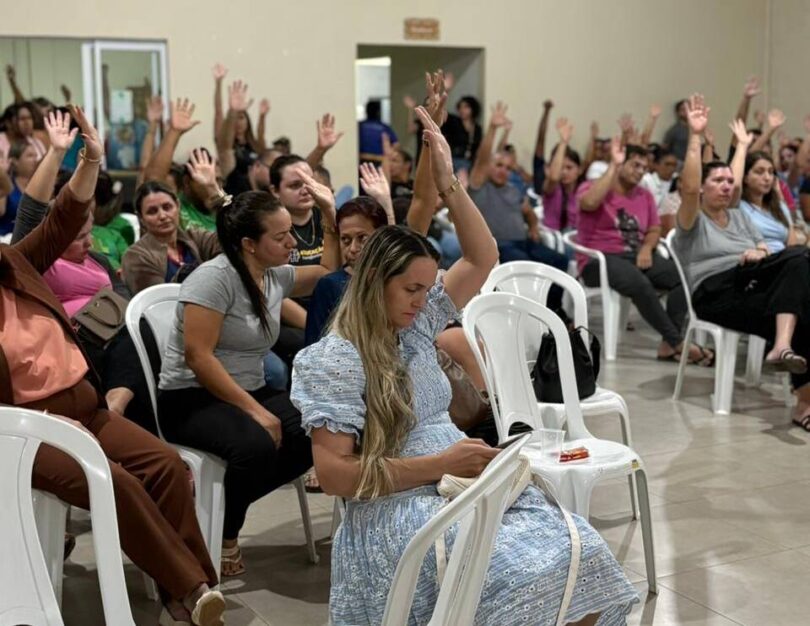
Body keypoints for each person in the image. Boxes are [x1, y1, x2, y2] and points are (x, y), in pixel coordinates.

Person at [291, 106, 637, 625]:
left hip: (459, 476)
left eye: (425, 289)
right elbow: (335, 474)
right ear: (372, 284)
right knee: (512, 574)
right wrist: (439, 465)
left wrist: (450, 182)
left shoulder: (415, 323)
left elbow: (481, 256)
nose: (420, 300)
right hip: (399, 506)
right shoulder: (337, 358)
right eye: (409, 289)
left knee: (580, 550)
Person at [0, 105, 224, 626]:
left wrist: (89, 161)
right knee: (116, 482)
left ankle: (182, 595)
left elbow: (59, 222)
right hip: (27, 431)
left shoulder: (11, 263)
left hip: (86, 407)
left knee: (167, 466)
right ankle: (194, 591)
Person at [157, 174, 340, 577]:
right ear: (248, 244)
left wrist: (329, 212)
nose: (292, 243)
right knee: (255, 446)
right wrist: (257, 411)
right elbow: (198, 357)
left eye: (290, 233)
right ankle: (225, 534)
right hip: (191, 397)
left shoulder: (272, 276)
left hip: (246, 388)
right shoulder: (213, 278)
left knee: (323, 425)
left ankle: (219, 508)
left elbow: (328, 267)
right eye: (281, 237)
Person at [675, 93, 810, 432]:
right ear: (703, 189)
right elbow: (688, 188)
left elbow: (765, 249)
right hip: (713, 292)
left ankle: (802, 400)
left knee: (804, 301)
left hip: (748, 283)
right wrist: (695, 137)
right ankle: (781, 346)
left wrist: (759, 254)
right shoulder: (692, 222)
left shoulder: (739, 218)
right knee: (798, 257)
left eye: (728, 181)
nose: (725, 185)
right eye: (716, 181)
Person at [577, 140, 710, 363]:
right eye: (635, 165)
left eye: (644, 168)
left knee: (684, 278)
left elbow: (654, 228)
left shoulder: (644, 195)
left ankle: (668, 345)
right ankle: (678, 342)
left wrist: (647, 248)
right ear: (620, 163)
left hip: (635, 256)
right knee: (639, 283)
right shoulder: (593, 185)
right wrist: (613, 166)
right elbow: (589, 203)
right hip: (597, 259)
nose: (640, 172)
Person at [468, 100, 568, 305]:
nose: (502, 170)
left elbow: (529, 211)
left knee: (560, 260)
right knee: (529, 267)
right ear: (489, 167)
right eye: (498, 165)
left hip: (524, 242)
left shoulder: (513, 190)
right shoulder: (480, 186)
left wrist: (532, 226)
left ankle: (553, 309)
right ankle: (534, 313)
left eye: (507, 167)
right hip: (499, 246)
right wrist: (493, 129)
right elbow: (482, 159)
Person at [122, 150, 221, 294]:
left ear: (178, 206)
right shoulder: (136, 255)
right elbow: (155, 303)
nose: (162, 216)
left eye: (167, 207)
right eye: (152, 211)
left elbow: (234, 239)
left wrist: (213, 189)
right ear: (141, 218)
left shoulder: (195, 237)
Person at [739, 150, 805, 253]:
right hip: (759, 261)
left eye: (770, 172)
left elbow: (793, 246)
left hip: (787, 261)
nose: (767, 178)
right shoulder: (738, 207)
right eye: (759, 172)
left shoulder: (780, 206)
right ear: (745, 178)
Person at [542, 117, 582, 231]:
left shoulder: (582, 191)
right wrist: (563, 142)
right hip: (553, 238)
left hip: (574, 238)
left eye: (569, 168)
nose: (564, 172)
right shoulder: (552, 189)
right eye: (561, 168)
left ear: (579, 170)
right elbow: (554, 177)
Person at [0, 140, 40, 235]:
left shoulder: (39, 185)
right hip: (5, 240)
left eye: (35, 156)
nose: (35, 160)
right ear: (15, 161)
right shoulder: (6, 184)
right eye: (30, 156)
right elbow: (1, 211)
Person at [441, 95, 483, 173]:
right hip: (453, 161)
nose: (462, 110)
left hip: (470, 163)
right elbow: (441, 113)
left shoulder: (477, 128)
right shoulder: (453, 121)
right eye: (460, 107)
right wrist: (446, 91)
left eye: (466, 107)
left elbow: (478, 147)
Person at [358, 99, 398, 163]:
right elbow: (396, 145)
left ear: (366, 111)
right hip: (379, 160)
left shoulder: (359, 125)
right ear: (378, 112)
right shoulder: (384, 127)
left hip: (361, 159)